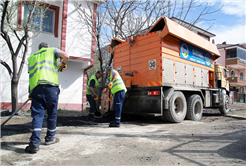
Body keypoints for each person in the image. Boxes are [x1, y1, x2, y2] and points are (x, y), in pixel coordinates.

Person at [25, 42, 69, 153]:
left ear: (39, 48)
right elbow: (66, 56)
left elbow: (31, 76)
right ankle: (50, 138)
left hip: (36, 89)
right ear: (47, 47)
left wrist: (30, 93)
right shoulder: (52, 51)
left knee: (37, 115)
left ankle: (34, 143)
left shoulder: (32, 58)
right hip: (51, 88)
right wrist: (63, 64)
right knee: (52, 113)